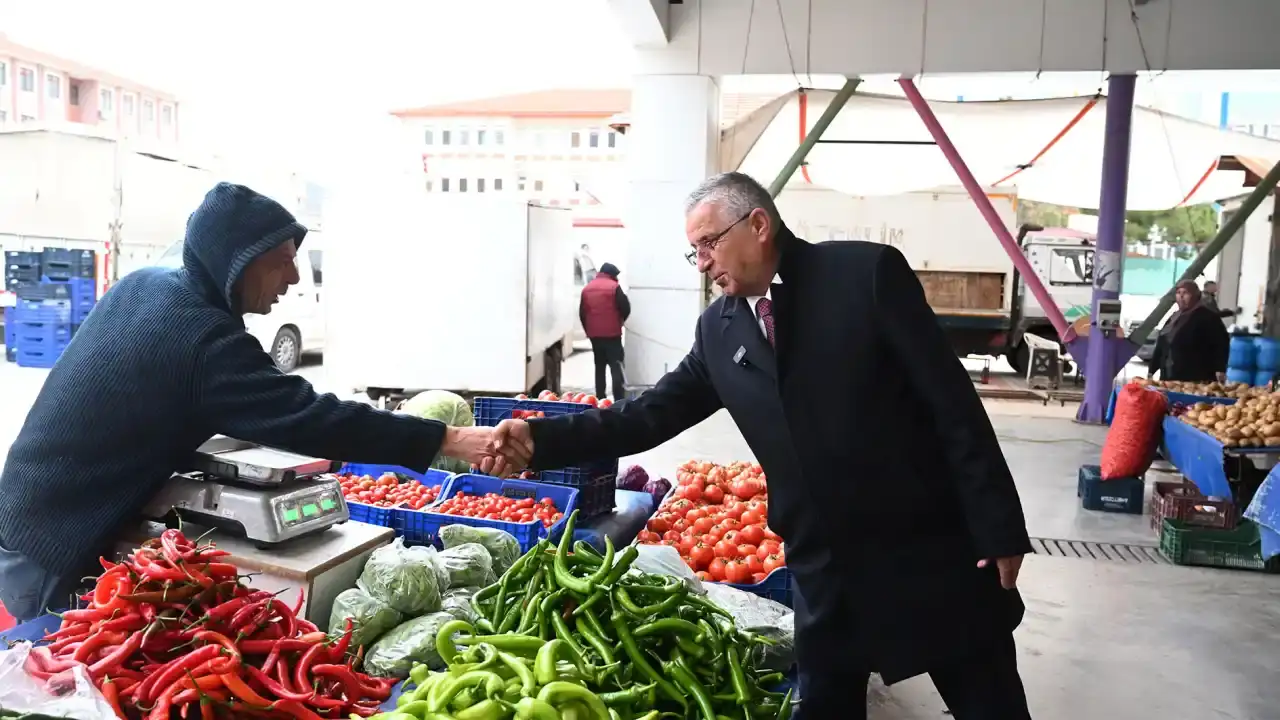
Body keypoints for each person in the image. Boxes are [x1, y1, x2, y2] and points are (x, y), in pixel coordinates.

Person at [483, 172, 1033, 719]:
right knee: (825, 707)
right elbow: (649, 415)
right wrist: (541, 437)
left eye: (709, 243)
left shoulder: (863, 276)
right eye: (694, 250)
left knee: (988, 702)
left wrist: (999, 524)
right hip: (824, 570)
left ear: (759, 225)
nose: (701, 263)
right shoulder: (719, 331)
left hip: (926, 549)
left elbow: (952, 404)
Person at [0, 183, 515, 623]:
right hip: (54, 540)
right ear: (237, 263)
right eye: (283, 262)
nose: (294, 279)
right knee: (54, 667)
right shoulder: (202, 338)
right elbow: (309, 417)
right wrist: (447, 438)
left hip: (29, 506)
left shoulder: (147, 285)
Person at [1149, 279, 1230, 382]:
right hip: (1169, 374)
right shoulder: (1174, 317)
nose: (1181, 296)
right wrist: (1152, 369)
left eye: (1185, 293)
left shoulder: (1207, 317)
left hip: (1196, 375)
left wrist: (1220, 369)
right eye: (1178, 293)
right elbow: (1162, 343)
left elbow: (1221, 343)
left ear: (1195, 295)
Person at [579, 262, 631, 401]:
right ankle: (618, 400)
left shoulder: (587, 289)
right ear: (611, 274)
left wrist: (589, 330)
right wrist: (620, 321)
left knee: (599, 367)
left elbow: (582, 313)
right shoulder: (614, 287)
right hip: (613, 335)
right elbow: (625, 307)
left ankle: (600, 398)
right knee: (616, 367)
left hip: (595, 336)